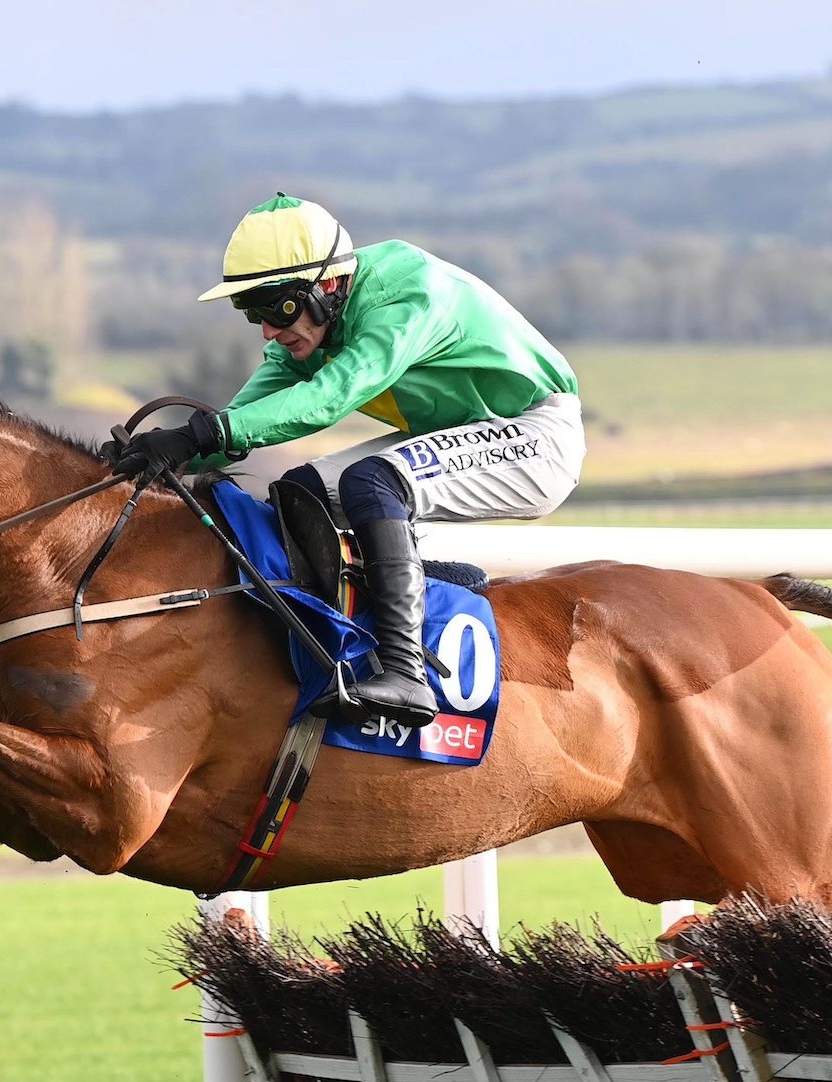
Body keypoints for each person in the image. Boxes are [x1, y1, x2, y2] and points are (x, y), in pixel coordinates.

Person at [112, 193, 583, 728]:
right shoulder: (310, 329)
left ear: (328, 286)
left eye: (277, 307)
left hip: (535, 435)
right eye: (253, 312)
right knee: (299, 490)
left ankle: (407, 674)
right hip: (461, 432)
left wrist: (207, 432)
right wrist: (155, 454)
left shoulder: (404, 294)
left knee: (372, 481)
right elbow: (243, 420)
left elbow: (328, 398)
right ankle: (378, 623)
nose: (268, 329)